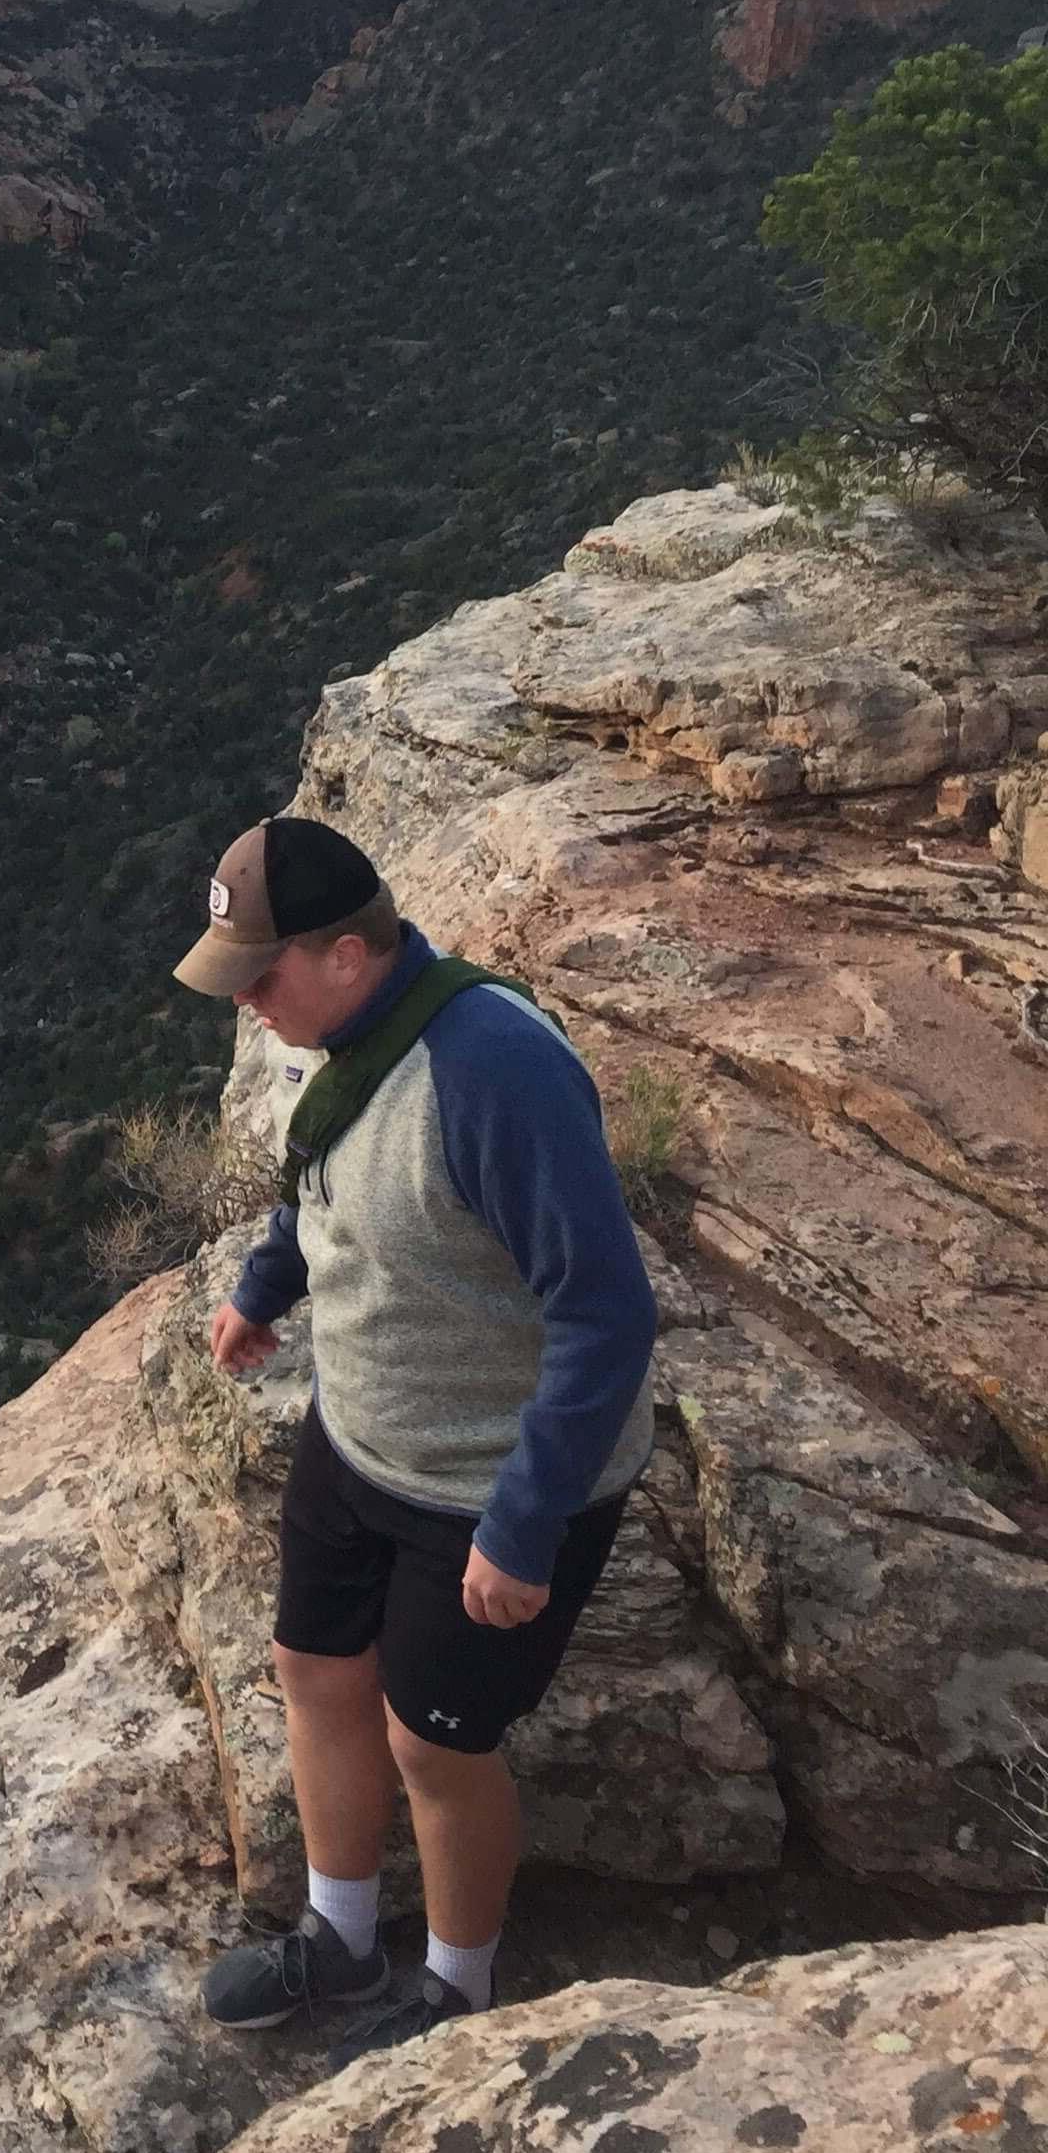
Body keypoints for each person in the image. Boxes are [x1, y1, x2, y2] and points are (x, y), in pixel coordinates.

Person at [173, 812, 656, 2063]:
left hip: (486, 1482)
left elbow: (605, 1313)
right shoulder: (332, 1034)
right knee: (316, 1673)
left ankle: (457, 1998)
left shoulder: (496, 1069)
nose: (251, 1006)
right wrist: (262, 1285)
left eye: (261, 977)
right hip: (362, 1442)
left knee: (433, 1744)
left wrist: (525, 1519)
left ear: (346, 951)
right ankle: (339, 1934)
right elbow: (318, 1173)